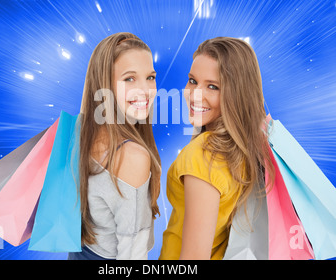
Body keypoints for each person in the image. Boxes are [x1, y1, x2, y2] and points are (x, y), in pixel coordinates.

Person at [159, 37, 275, 260]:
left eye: (212, 86)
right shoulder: (245, 147)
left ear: (236, 95)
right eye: (192, 81)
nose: (194, 94)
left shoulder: (202, 156)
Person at [68, 32, 161, 260]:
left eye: (150, 77)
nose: (145, 89)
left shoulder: (79, 134)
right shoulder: (132, 156)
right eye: (129, 79)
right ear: (104, 85)